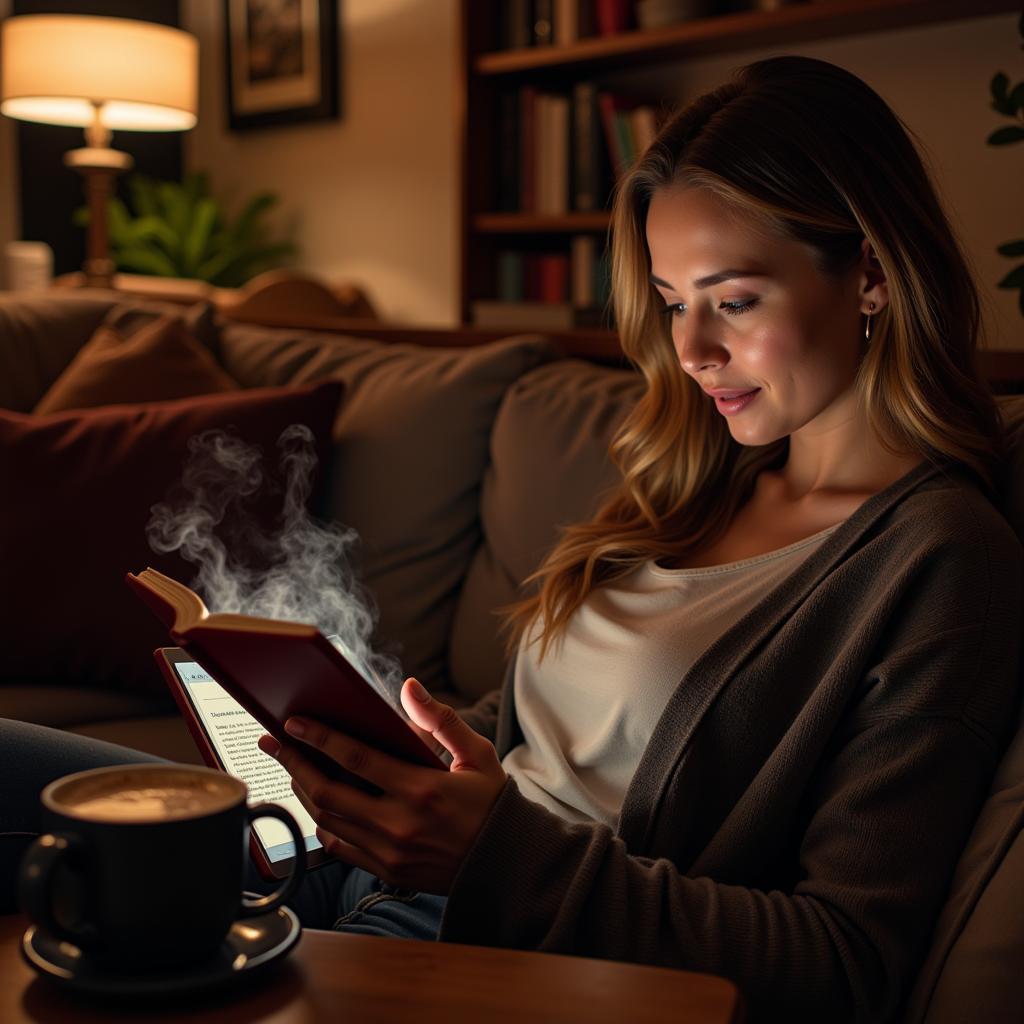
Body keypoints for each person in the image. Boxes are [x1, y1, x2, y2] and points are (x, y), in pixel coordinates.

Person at [2, 56, 1021, 1022]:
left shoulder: (935, 560)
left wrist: (492, 850)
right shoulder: (702, 478)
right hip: (364, 860)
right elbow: (547, 732)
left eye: (733, 300)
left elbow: (846, 966)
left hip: (496, 927)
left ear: (872, 276)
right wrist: (397, 746)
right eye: (670, 304)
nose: (691, 351)